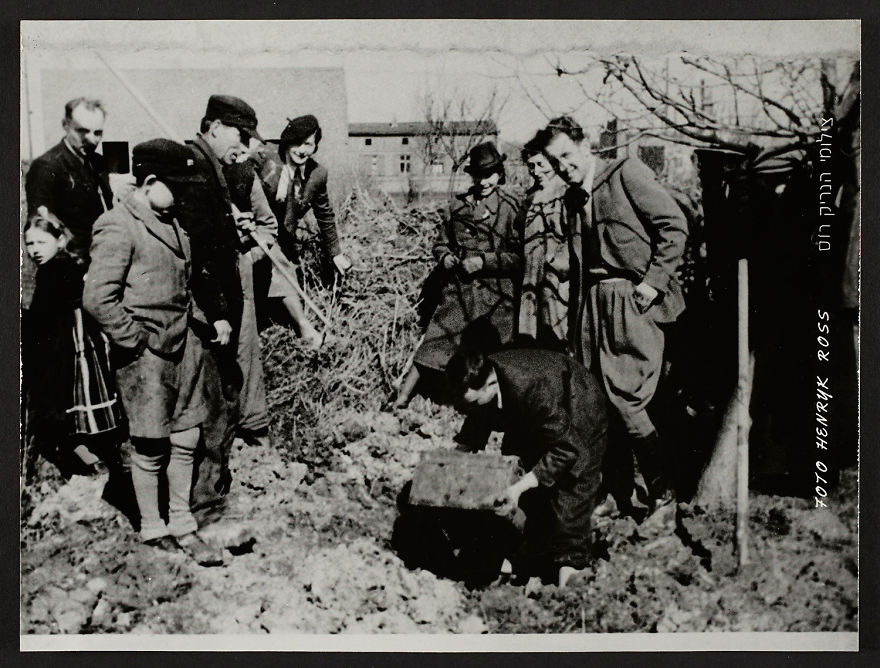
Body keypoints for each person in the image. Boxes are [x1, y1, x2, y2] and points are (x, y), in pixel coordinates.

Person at [83, 138, 221, 566]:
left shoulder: (174, 221)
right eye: (176, 187)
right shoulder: (117, 224)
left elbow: (181, 283)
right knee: (149, 443)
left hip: (184, 345)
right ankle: (152, 527)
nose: (183, 196)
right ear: (150, 181)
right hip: (145, 355)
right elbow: (97, 298)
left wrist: (206, 320)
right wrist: (134, 340)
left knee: (187, 435)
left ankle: (181, 521)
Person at [541, 116, 688, 516]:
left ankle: (662, 491)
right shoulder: (572, 199)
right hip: (590, 306)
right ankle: (614, 492)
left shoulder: (626, 174)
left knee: (627, 400)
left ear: (585, 144)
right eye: (555, 162)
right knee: (595, 402)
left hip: (630, 300)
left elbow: (674, 227)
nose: (563, 167)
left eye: (567, 156)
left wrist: (653, 283)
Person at [445, 343, 608, 587]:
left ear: (490, 385)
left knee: (571, 492)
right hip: (541, 415)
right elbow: (479, 414)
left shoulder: (530, 388)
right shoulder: (484, 376)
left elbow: (567, 449)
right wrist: (457, 457)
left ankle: (570, 577)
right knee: (530, 488)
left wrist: (518, 488)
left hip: (579, 409)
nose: (464, 408)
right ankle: (527, 560)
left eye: (470, 401)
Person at [177, 94, 262, 517]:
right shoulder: (196, 171)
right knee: (215, 401)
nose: (244, 146)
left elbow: (214, 238)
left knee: (225, 395)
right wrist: (219, 313)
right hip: (212, 313)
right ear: (213, 126)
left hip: (218, 308)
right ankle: (206, 506)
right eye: (239, 134)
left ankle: (213, 491)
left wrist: (235, 228)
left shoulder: (213, 169)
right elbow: (200, 256)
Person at [393, 141, 522, 408]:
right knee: (435, 340)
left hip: (496, 295)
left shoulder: (511, 208)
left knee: (500, 353)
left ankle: (502, 408)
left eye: (490, 175)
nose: (484, 181)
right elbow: (440, 243)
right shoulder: (456, 207)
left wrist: (485, 262)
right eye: (478, 175)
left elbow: (518, 258)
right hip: (460, 290)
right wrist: (445, 258)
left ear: (499, 174)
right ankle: (402, 398)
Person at [22, 212, 124, 479]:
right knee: (88, 402)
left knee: (64, 403)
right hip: (83, 339)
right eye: (29, 244)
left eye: (41, 243)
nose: (34, 250)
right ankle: (100, 457)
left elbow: (42, 316)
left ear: (59, 240)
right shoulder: (71, 264)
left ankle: (91, 460)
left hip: (70, 344)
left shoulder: (53, 270)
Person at [257, 114, 347, 340]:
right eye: (298, 142)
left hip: (284, 237)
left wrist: (335, 253)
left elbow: (325, 215)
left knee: (287, 272)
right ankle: (305, 329)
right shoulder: (264, 158)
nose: (302, 150)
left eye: (309, 144)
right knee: (277, 271)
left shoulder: (317, 174)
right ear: (287, 141)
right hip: (254, 229)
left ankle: (293, 327)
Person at [25, 97, 113, 263]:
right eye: (82, 131)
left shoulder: (98, 163)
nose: (91, 139)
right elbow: (41, 227)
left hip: (103, 260)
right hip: (69, 268)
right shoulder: (47, 167)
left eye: (97, 132)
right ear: (65, 125)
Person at [516, 130, 571, 351]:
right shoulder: (533, 197)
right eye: (531, 166)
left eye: (540, 164)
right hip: (531, 282)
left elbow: (575, 238)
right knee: (535, 346)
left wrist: (554, 261)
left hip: (557, 285)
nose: (536, 171)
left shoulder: (566, 193)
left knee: (559, 342)